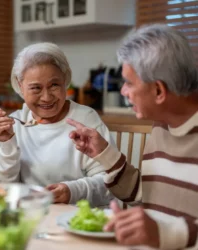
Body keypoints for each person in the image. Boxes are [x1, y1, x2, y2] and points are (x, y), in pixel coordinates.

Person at [67, 24, 198, 249]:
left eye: (129, 83)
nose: (123, 92)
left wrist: (165, 233)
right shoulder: (161, 125)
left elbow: (165, 231)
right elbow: (146, 193)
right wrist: (105, 155)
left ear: (158, 91)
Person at [0, 42, 114, 206]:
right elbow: (4, 188)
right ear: (21, 86)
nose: (47, 97)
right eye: (36, 88)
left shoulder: (85, 120)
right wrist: (7, 144)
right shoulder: (16, 123)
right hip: (33, 217)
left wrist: (71, 191)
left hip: (78, 218)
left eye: (54, 85)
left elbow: (110, 184)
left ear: (65, 81)